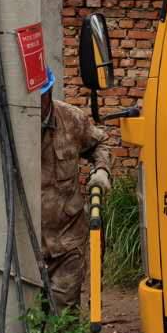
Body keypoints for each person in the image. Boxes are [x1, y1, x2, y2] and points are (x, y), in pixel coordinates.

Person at [38, 67, 112, 314]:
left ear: (49, 93)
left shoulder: (71, 119)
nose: (34, 106)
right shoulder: (7, 129)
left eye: (40, 97)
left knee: (64, 314)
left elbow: (100, 143)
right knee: (27, 317)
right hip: (24, 245)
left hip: (67, 239)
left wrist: (101, 170)